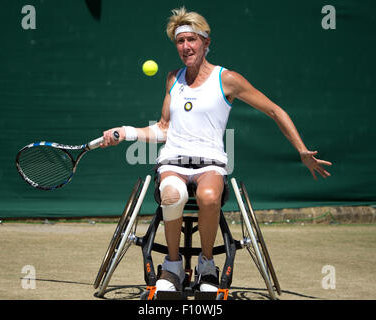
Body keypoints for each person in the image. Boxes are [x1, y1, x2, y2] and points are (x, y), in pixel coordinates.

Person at [100, 7, 332, 293]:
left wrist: (301, 150)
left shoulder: (227, 79)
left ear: (206, 43)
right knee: (173, 194)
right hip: (173, 161)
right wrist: (126, 132)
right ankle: (172, 267)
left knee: (209, 197)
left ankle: (207, 266)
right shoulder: (173, 78)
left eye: (192, 40)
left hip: (211, 163)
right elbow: (163, 128)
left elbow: (274, 110)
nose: (186, 47)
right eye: (180, 41)